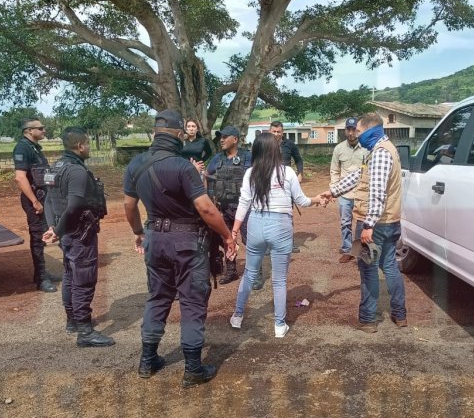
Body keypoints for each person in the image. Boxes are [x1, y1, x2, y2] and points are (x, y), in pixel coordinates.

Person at [123, 109, 237, 388]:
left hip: (154, 239)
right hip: (187, 242)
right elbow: (206, 209)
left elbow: (128, 205)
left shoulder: (135, 164)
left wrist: (139, 232)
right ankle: (193, 369)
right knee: (192, 302)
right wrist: (227, 237)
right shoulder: (183, 166)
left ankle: (147, 361)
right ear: (177, 135)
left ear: (154, 133)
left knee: (157, 298)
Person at [230, 133, 325, 339]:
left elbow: (244, 203)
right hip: (281, 225)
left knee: (249, 273)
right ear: (276, 150)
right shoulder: (287, 172)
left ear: (256, 150)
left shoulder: (250, 173)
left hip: (255, 223)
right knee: (279, 280)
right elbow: (301, 200)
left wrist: (234, 231)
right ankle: (279, 325)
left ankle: (237, 316)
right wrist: (317, 199)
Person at [321, 112, 408, 333]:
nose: (356, 135)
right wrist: (333, 191)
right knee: (389, 266)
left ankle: (368, 319)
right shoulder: (382, 150)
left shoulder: (379, 154)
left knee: (367, 269)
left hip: (372, 224)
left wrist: (368, 225)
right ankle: (400, 315)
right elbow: (359, 177)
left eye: (359, 131)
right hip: (389, 221)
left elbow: (377, 193)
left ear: (370, 130)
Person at [42, 127, 113, 348]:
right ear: (80, 146)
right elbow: (74, 205)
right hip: (79, 233)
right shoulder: (77, 171)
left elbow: (47, 201)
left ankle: (72, 321)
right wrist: (58, 230)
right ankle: (85, 331)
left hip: (67, 233)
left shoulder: (56, 167)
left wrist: (53, 227)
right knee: (83, 279)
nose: (89, 147)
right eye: (88, 144)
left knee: (71, 275)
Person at [12, 117, 58, 293]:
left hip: (43, 197)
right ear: (29, 131)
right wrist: (34, 201)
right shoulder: (23, 148)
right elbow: (20, 178)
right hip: (35, 199)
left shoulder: (34, 148)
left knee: (44, 234)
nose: (44, 130)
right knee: (38, 236)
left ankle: (41, 272)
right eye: (41, 128)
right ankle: (41, 278)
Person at [205, 125, 254, 286]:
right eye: (220, 137)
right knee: (226, 239)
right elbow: (208, 176)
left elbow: (259, 177)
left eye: (225, 137)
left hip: (245, 207)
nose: (222, 140)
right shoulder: (217, 159)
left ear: (236, 139)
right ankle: (231, 271)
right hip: (224, 207)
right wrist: (212, 201)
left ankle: (255, 273)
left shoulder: (249, 157)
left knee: (250, 241)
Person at [330, 116, 368, 263]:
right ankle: (347, 249)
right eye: (349, 129)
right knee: (345, 222)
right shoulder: (338, 149)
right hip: (345, 194)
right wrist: (334, 189)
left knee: (360, 223)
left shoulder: (366, 148)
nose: (351, 133)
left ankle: (358, 251)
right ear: (345, 130)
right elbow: (334, 170)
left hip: (361, 194)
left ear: (358, 131)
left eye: (354, 130)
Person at [269, 120, 304, 253]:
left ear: (282, 132)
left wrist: (300, 173)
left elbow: (298, 159)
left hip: (286, 184)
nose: (276, 134)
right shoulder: (264, 144)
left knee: (287, 213)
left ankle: (290, 242)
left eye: (279, 132)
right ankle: (269, 244)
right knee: (268, 213)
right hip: (268, 184)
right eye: (274, 131)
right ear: (270, 131)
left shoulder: (289, 144)